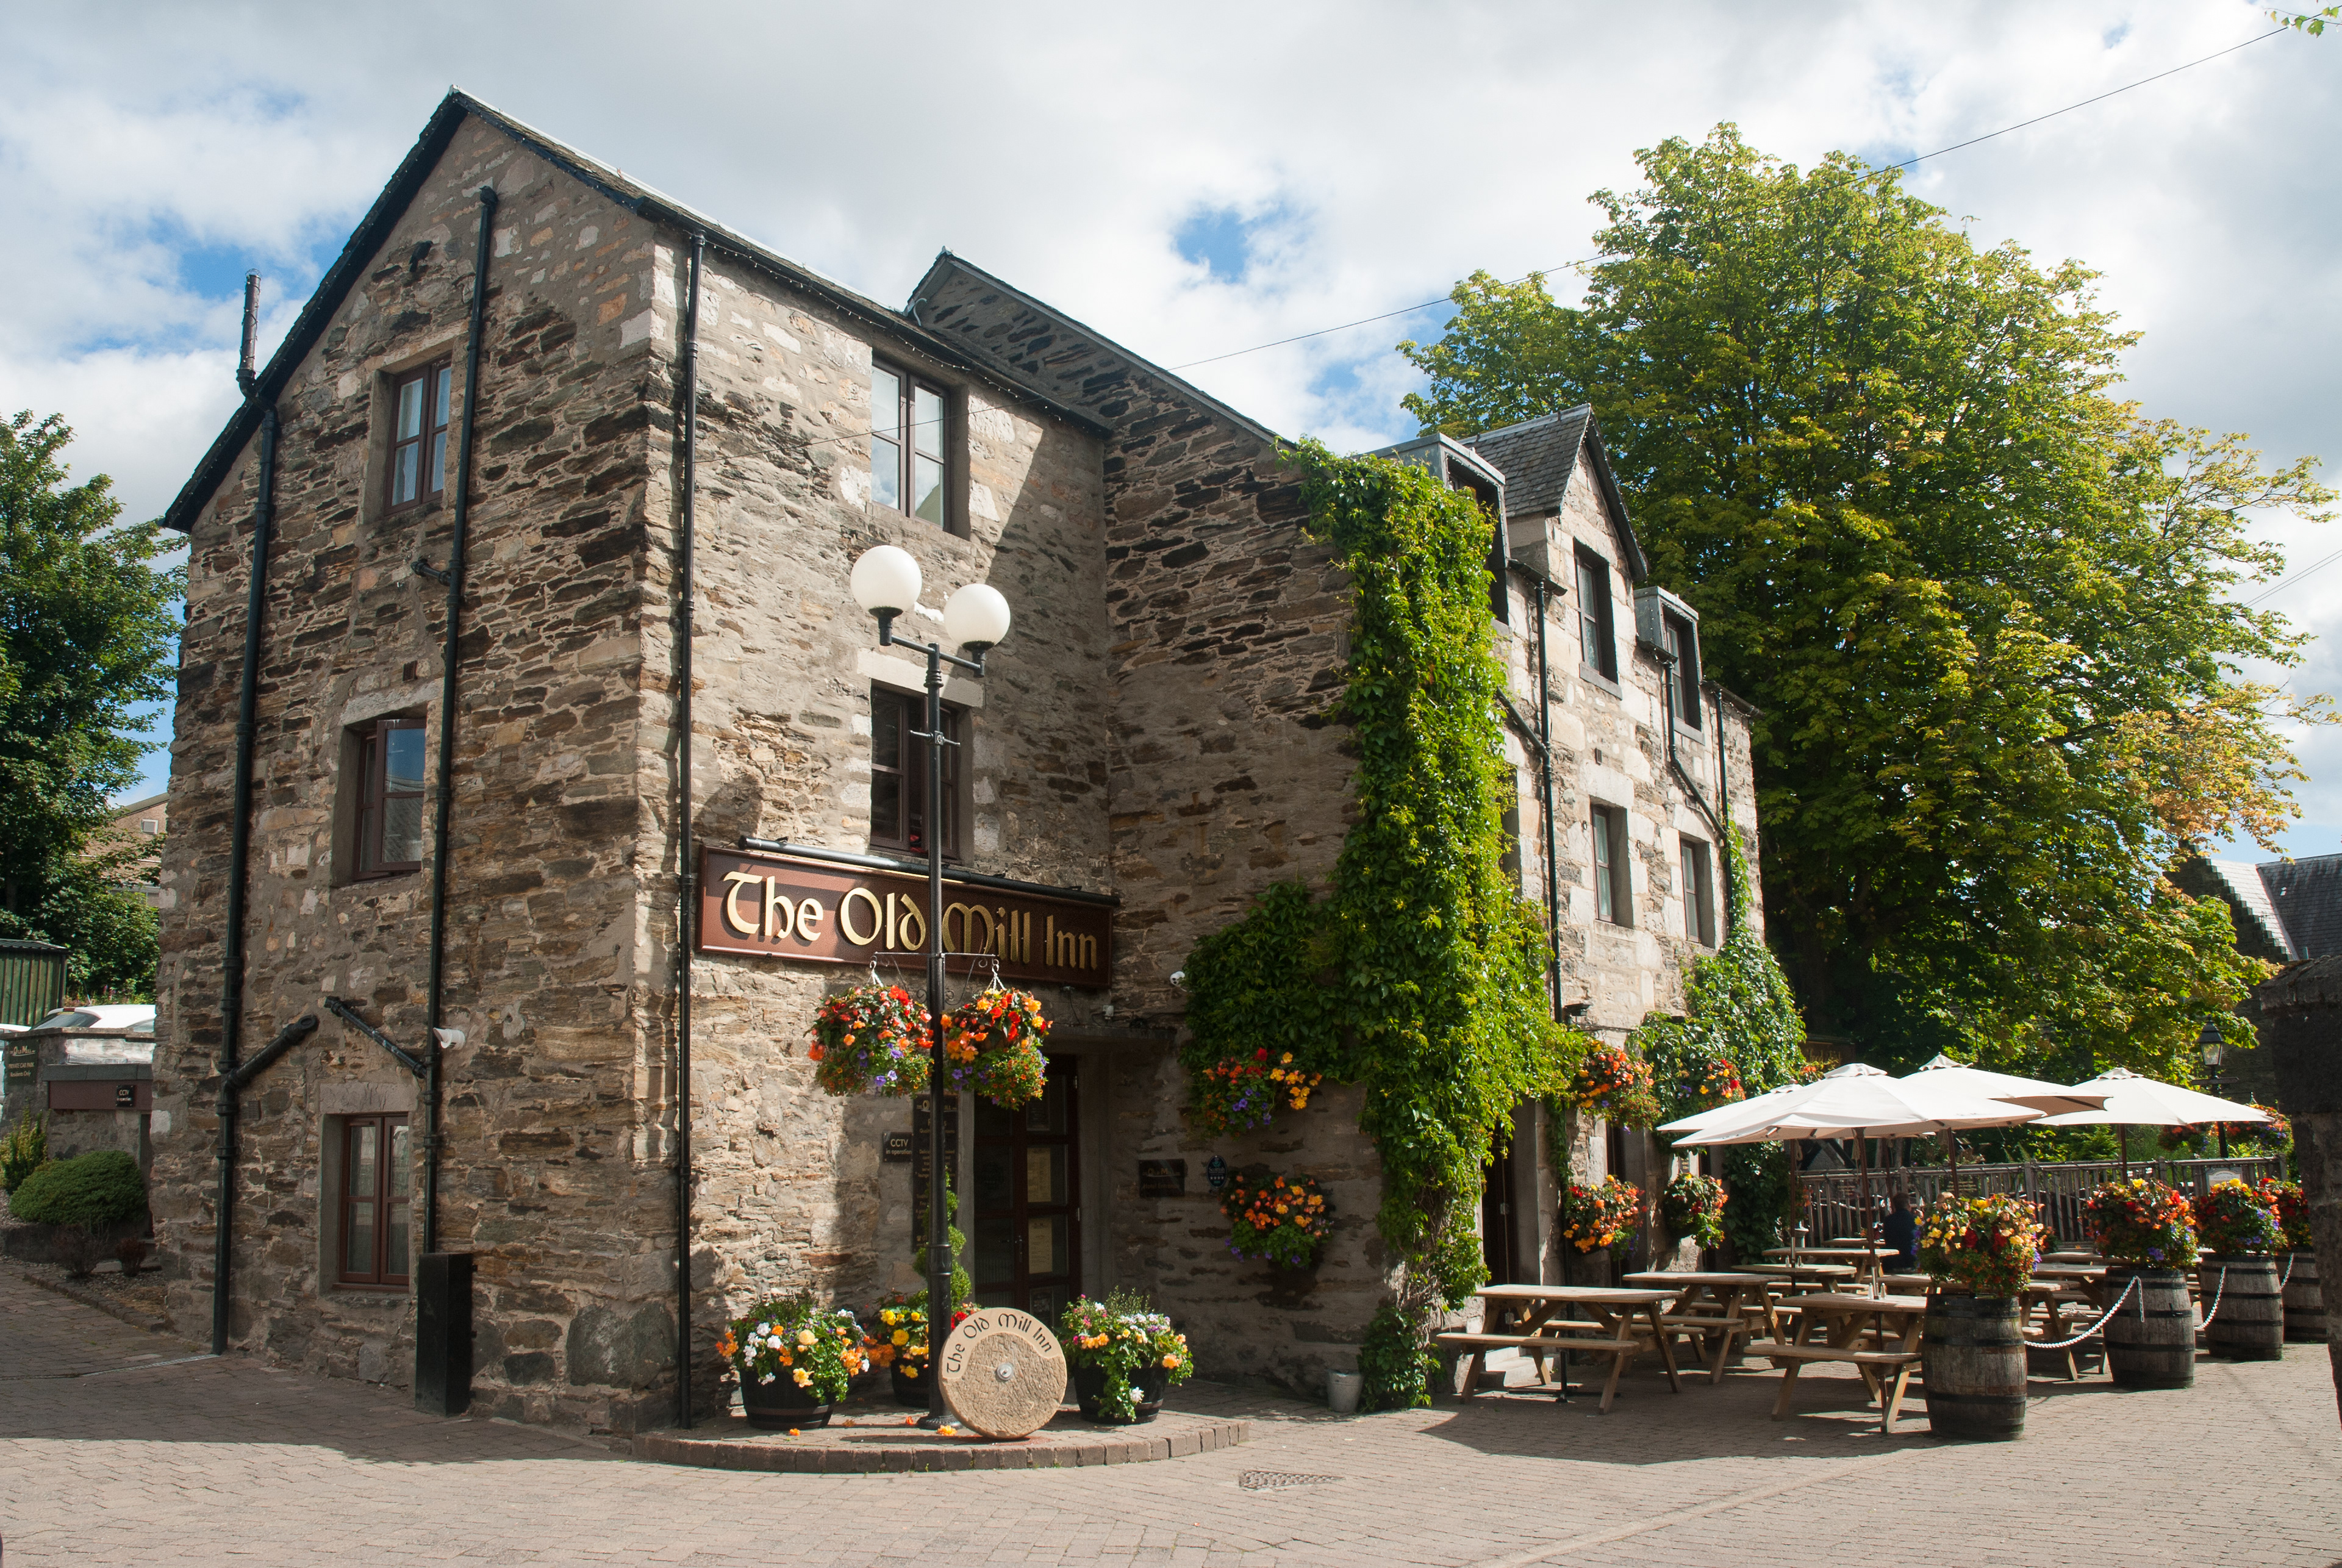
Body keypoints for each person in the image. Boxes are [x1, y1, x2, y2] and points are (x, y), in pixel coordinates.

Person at [1881, 1191, 1919, 1269]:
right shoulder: (1915, 1220)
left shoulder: (1888, 1220)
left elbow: (1886, 1238)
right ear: (1908, 1206)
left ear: (1894, 1206)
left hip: (1891, 1263)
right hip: (1912, 1261)